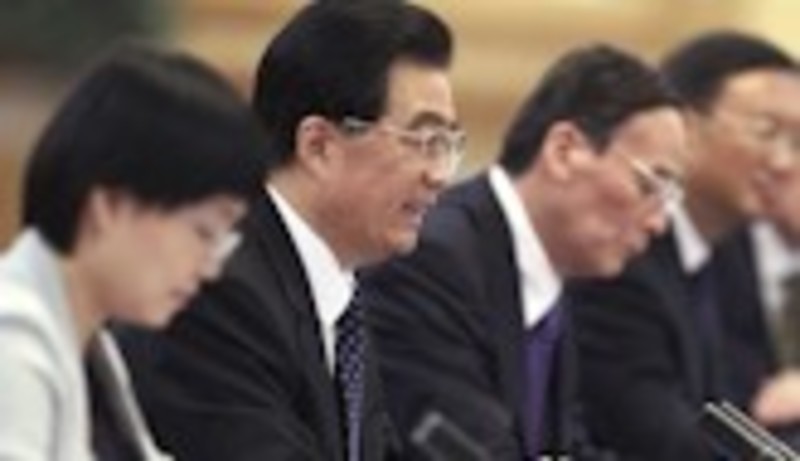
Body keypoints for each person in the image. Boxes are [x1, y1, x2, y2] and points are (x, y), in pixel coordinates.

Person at [115, 2, 459, 461]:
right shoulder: (219, 287)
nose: (440, 175)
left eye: (447, 145)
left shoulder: (340, 298)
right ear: (319, 146)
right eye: (424, 141)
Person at [358, 44, 686, 460]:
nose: (659, 223)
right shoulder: (432, 258)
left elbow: (563, 446)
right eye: (650, 186)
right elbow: (464, 445)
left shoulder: (549, 279)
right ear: (565, 151)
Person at [0, 43, 267, 460]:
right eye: (203, 232)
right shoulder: (12, 342)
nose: (210, 269)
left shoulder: (92, 345)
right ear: (109, 206)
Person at [568, 31, 800, 461]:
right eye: (767, 132)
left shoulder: (730, 247)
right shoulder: (621, 254)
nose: (785, 162)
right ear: (684, 129)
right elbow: (664, 442)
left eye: (797, 142)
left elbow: (757, 409)